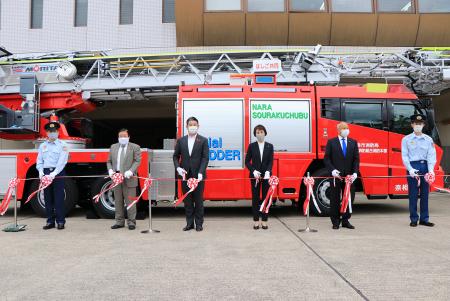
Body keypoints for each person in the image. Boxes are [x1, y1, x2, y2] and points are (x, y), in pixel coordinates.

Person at [173, 117, 209, 232]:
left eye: (194, 124)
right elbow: (175, 156)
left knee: (198, 201)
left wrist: (201, 172)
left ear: (198, 126)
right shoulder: (181, 140)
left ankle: (199, 224)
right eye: (190, 124)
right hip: (185, 175)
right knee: (187, 201)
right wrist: (178, 168)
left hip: (198, 176)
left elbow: (205, 158)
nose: (192, 126)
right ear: (186, 126)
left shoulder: (203, 140)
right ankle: (189, 223)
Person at [401, 114, 436, 227]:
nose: (418, 125)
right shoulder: (406, 139)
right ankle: (414, 219)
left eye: (420, 124)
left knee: (425, 194)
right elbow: (405, 156)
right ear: (412, 124)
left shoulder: (428, 139)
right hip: (413, 167)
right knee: (413, 195)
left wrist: (431, 170)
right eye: (416, 123)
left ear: (423, 125)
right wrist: (410, 169)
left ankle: (424, 219)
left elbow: (431, 155)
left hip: (425, 166)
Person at [324, 122, 359, 230]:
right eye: (344, 128)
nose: (346, 130)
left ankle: (345, 220)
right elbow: (327, 158)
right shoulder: (331, 142)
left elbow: (356, 159)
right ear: (338, 130)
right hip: (336, 176)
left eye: (347, 128)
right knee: (334, 198)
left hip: (349, 177)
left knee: (348, 198)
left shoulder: (353, 142)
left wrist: (355, 172)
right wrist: (332, 170)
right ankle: (335, 221)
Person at [36, 121, 69, 230]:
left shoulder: (63, 145)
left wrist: (54, 173)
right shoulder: (43, 146)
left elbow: (62, 161)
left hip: (58, 173)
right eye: (50, 131)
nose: (52, 133)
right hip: (45, 173)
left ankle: (60, 221)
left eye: (54, 131)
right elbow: (39, 160)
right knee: (47, 197)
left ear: (58, 132)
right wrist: (40, 171)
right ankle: (50, 221)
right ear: (46, 132)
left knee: (59, 198)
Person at [107, 129, 142, 230]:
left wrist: (131, 171)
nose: (122, 138)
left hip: (129, 177)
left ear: (128, 137)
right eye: (120, 136)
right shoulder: (113, 147)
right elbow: (109, 161)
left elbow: (137, 160)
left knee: (130, 201)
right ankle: (119, 221)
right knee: (118, 201)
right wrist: (110, 170)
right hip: (116, 178)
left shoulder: (135, 147)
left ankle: (131, 222)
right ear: (118, 138)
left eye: (124, 136)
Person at [245, 125, 274, 230]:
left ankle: (265, 220)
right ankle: (256, 221)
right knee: (255, 198)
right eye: (257, 132)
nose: (259, 134)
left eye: (261, 132)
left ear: (265, 133)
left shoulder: (270, 146)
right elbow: (247, 162)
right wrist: (253, 171)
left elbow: (271, 161)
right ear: (255, 134)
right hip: (255, 177)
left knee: (266, 198)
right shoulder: (251, 146)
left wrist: (268, 171)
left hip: (266, 177)